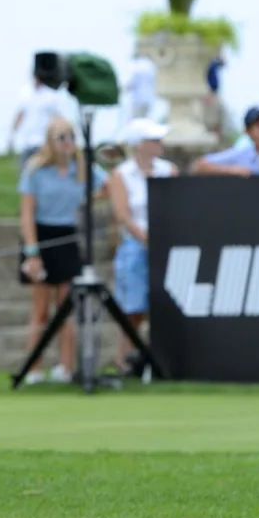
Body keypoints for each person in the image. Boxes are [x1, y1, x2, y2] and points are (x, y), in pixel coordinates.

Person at [17, 116, 106, 384]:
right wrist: (32, 253)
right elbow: (27, 213)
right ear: (50, 141)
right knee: (40, 309)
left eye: (71, 137)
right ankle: (34, 367)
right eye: (62, 137)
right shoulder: (35, 170)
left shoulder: (82, 168)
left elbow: (109, 185)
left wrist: (87, 198)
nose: (68, 142)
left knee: (66, 308)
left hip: (67, 234)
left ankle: (65, 367)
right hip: (41, 236)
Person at [105, 118, 176, 371]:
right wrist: (145, 238)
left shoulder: (168, 170)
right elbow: (123, 214)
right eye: (153, 140)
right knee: (132, 307)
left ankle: (159, 359)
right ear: (139, 144)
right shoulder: (121, 174)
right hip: (134, 246)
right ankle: (124, 360)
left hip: (166, 245)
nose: (159, 144)